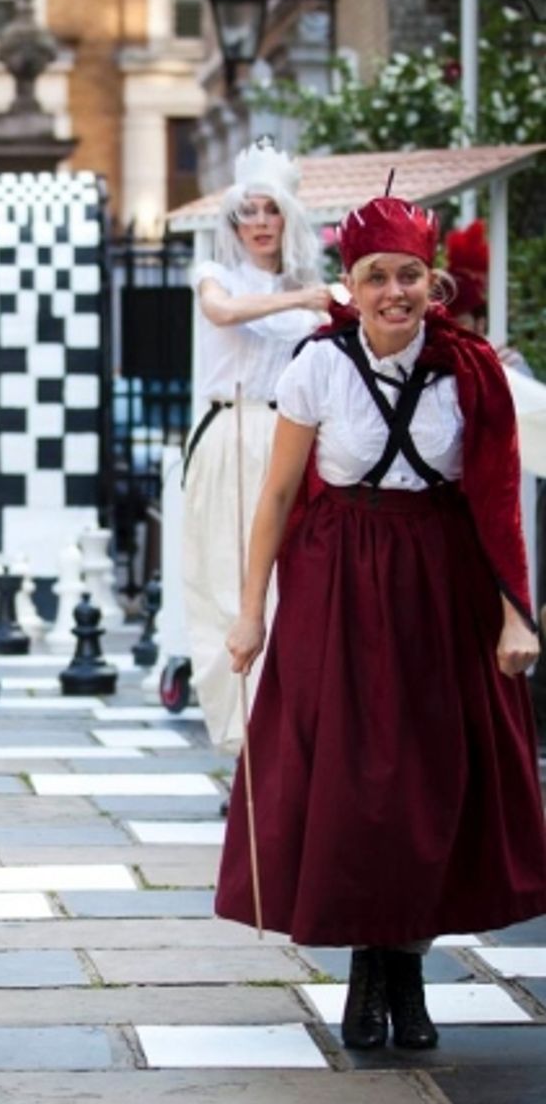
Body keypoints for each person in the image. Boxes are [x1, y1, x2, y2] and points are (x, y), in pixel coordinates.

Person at [217, 190, 546, 1052]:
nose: (394, 292)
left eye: (409, 276)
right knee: (357, 787)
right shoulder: (316, 368)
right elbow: (279, 496)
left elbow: (501, 501)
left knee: (431, 786)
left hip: (443, 588)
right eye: (376, 278)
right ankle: (369, 964)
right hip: (339, 587)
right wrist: (251, 612)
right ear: (350, 287)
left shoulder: (473, 373)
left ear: (433, 284)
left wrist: (520, 615)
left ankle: (408, 965)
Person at [183, 139, 332, 753]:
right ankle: (241, 738)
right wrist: (303, 300)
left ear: (287, 216)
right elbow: (221, 313)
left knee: (289, 589)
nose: (261, 223)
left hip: (295, 440)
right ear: (234, 221)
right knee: (228, 584)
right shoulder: (217, 276)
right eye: (250, 211)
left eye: (271, 210)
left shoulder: (311, 286)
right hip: (234, 433)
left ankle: (286, 741)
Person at [441, 219, 546, 478]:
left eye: (460, 321)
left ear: (480, 323)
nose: (452, 330)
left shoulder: (510, 364)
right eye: (445, 322)